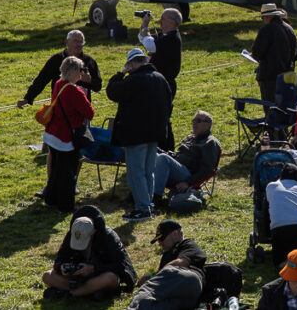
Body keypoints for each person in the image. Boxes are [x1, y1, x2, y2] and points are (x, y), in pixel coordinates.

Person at [107, 48, 174, 221]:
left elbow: (112, 92)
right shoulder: (160, 79)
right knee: (148, 171)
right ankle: (148, 205)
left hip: (135, 134)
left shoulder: (134, 80)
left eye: (128, 65)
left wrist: (119, 74)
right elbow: (169, 104)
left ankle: (142, 208)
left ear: (132, 64)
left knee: (136, 172)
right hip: (155, 133)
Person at [41, 205, 137, 301]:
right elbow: (59, 260)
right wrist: (62, 267)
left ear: (94, 232)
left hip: (99, 277)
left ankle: (70, 294)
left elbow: (121, 266)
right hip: (79, 279)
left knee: (110, 278)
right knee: (47, 276)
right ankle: (88, 292)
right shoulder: (72, 233)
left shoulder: (108, 237)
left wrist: (94, 268)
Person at [41, 56, 95, 214]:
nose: (82, 73)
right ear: (74, 72)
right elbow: (89, 113)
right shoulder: (74, 90)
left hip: (53, 133)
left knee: (57, 170)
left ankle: (51, 199)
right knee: (68, 174)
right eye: (81, 70)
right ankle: (66, 206)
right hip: (66, 137)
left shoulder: (59, 84)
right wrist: (83, 93)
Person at [128, 219, 207, 310]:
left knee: (148, 290)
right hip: (189, 295)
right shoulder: (166, 254)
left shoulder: (187, 244)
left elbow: (179, 264)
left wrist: (152, 278)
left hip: (188, 278)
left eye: (162, 239)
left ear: (175, 233)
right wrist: (151, 277)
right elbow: (163, 279)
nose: (160, 243)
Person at [18, 29, 102, 108]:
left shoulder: (89, 61)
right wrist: (28, 98)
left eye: (81, 42)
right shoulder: (56, 60)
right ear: (67, 42)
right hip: (59, 107)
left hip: (82, 109)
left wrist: (90, 81)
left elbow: (98, 86)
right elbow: (41, 80)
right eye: (76, 41)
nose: (79, 44)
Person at [152, 110, 222, 201]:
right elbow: (178, 155)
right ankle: (140, 193)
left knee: (163, 158)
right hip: (176, 169)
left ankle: (155, 198)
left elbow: (207, 169)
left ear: (208, 125)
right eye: (193, 120)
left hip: (187, 175)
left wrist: (188, 183)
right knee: (153, 155)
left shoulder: (210, 142)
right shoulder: (190, 138)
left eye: (199, 121)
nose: (194, 123)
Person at [252, 3, 297, 103]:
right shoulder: (289, 28)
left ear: (267, 17)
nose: (263, 20)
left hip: (270, 77)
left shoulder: (267, 29)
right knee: (285, 107)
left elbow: (257, 53)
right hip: (287, 75)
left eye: (263, 18)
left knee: (270, 109)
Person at [267, 164, 297, 268]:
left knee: (278, 260)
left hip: (279, 227)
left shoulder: (271, 186)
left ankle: (285, 266)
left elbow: (266, 207)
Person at [139, 7, 182, 97]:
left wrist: (146, 26)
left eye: (163, 19)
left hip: (165, 84)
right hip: (157, 82)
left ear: (172, 22)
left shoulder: (173, 38)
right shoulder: (164, 35)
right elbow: (142, 38)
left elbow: (150, 46)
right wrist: (143, 24)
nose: (159, 21)